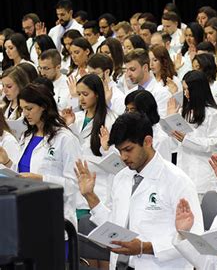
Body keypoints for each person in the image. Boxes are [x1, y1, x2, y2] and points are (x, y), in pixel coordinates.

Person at [75, 112, 203, 269]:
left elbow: (194, 239)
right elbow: (115, 226)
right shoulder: (122, 177)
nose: (123, 157)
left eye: (128, 149)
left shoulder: (177, 181)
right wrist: (90, 196)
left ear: (147, 141)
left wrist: (145, 247)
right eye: (120, 150)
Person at [1, 83, 81, 229]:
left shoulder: (65, 138)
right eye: (22, 109)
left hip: (56, 218)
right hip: (27, 215)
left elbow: (74, 185)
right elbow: (23, 173)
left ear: (44, 106)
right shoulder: (27, 136)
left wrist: (42, 180)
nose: (25, 114)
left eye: (29, 108)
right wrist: (7, 162)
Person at [62, 74, 117, 218]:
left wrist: (107, 149)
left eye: (85, 94)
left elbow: (118, 164)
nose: (81, 98)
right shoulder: (77, 118)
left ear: (97, 94)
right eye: (78, 94)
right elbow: (75, 149)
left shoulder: (111, 120)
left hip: (99, 189)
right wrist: (70, 126)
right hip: (76, 190)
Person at [167, 70, 217, 197]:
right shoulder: (184, 111)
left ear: (198, 90)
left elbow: (213, 144)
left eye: (188, 90)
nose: (185, 94)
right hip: (184, 172)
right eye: (184, 90)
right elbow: (175, 144)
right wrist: (171, 121)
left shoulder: (213, 113)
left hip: (203, 177)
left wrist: (186, 139)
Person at [123, 48, 170, 117]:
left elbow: (160, 123)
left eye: (132, 69)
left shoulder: (161, 92)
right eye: (127, 70)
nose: (128, 74)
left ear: (145, 68)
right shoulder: (130, 93)